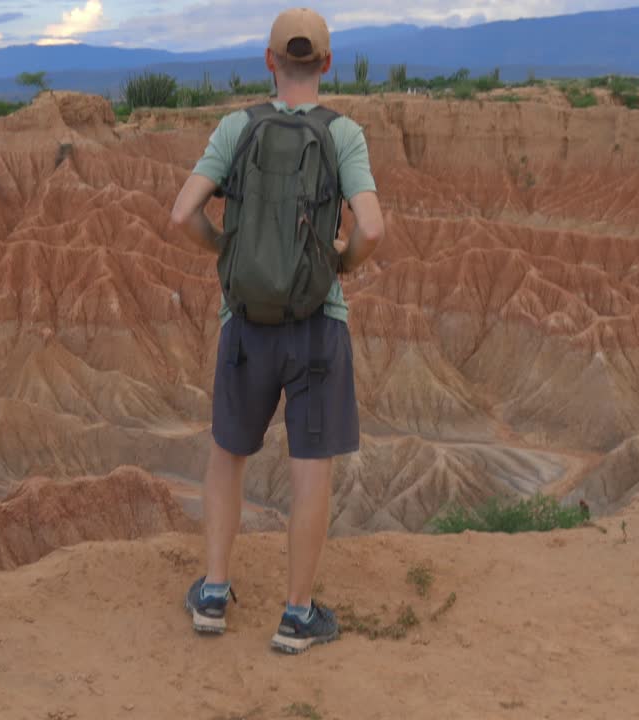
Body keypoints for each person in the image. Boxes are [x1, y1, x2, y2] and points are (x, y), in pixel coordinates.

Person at [169, 7, 385, 655]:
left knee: (227, 456)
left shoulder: (237, 126)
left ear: (268, 62)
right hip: (318, 324)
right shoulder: (343, 134)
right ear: (326, 63)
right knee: (309, 467)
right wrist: (335, 266)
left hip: (245, 322)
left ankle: (212, 593)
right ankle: (296, 615)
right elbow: (372, 229)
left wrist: (227, 250)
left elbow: (182, 212)